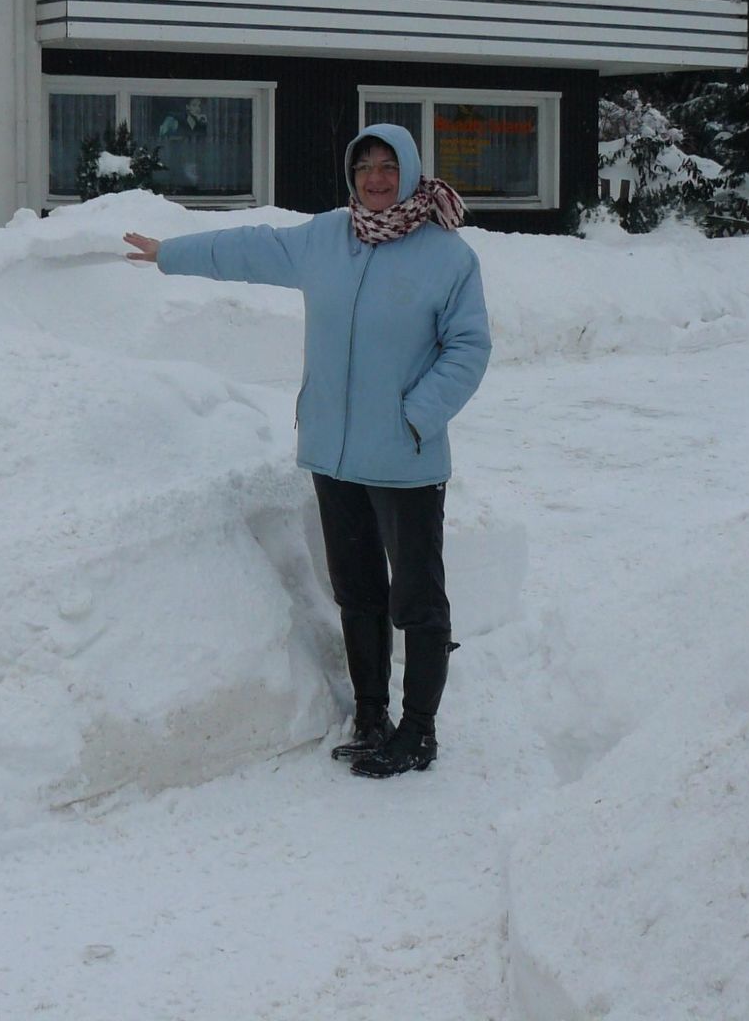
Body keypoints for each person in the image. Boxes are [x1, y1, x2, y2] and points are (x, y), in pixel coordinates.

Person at [123, 124, 490, 778]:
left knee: (417, 600)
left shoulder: (447, 257)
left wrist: (416, 417)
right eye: (364, 167)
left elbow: (469, 348)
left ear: (409, 172)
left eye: (388, 167)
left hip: (405, 459)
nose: (376, 179)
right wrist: (169, 253)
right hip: (334, 454)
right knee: (357, 591)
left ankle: (418, 731)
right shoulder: (327, 238)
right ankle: (371, 715)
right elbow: (252, 248)